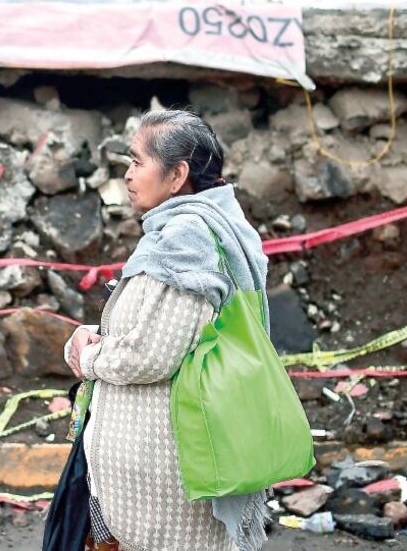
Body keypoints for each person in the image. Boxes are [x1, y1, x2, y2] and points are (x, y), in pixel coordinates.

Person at [64, 108, 271, 551]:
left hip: (165, 476)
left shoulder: (187, 237)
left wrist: (88, 356)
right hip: (156, 469)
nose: (127, 173)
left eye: (138, 161)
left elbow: (151, 355)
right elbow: (163, 328)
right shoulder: (195, 227)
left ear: (177, 175)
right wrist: (92, 334)